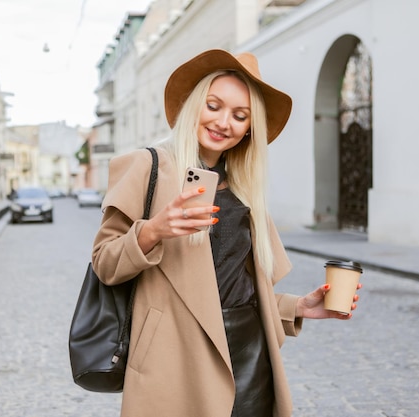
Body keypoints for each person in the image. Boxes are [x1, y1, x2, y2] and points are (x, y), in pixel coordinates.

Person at [91, 49, 361, 417]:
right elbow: (105, 263)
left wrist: (297, 307)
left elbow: (236, 286)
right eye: (213, 106)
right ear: (193, 106)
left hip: (249, 355)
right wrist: (152, 231)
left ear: (250, 127)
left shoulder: (245, 187)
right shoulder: (147, 166)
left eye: (240, 115)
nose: (223, 122)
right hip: (174, 359)